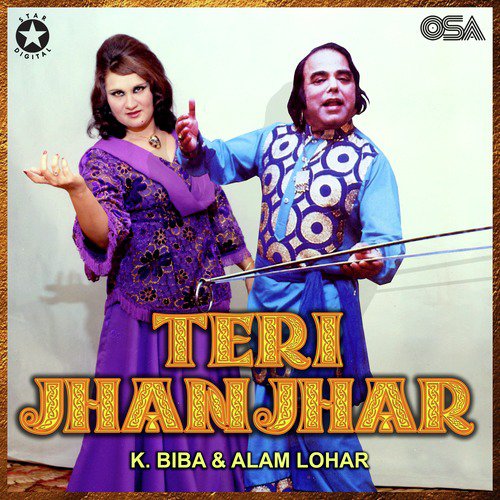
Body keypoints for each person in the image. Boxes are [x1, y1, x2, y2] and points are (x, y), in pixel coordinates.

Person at [24, 34, 252, 492]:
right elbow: (104, 232)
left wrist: (252, 274)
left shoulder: (188, 146)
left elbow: (218, 211)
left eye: (138, 88)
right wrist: (76, 190)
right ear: (104, 99)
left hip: (205, 305)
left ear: (156, 88)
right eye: (117, 92)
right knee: (134, 418)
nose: (130, 102)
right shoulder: (102, 160)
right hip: (142, 313)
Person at [175, 42, 404, 492]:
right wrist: (194, 146)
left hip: (324, 301)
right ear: (302, 93)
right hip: (267, 293)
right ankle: (269, 482)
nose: (333, 86)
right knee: (266, 393)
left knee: (319, 405)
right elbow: (219, 160)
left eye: (343, 77)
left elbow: (386, 241)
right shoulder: (272, 140)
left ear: (356, 90)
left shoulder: (371, 161)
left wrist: (373, 256)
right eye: (319, 78)